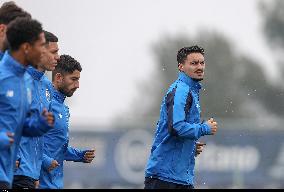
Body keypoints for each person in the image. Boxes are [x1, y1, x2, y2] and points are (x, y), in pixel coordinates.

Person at [144, 45, 218, 189]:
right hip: (164, 177)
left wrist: (190, 147)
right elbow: (176, 128)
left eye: (202, 63)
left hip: (180, 178)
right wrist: (204, 128)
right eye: (194, 63)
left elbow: (175, 131)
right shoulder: (181, 91)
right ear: (181, 67)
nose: (200, 67)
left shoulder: (191, 90)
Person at [0, 18, 53, 189]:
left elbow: (21, 125)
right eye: (42, 45)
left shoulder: (27, 81)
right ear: (26, 47)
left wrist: (41, 124)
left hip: (6, 176)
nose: (44, 51)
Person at [39, 55, 95, 189]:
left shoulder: (64, 109)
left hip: (55, 183)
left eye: (78, 79)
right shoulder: (45, 101)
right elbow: (28, 140)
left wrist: (79, 156)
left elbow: (56, 147)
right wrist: (45, 161)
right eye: (74, 79)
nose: (78, 85)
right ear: (59, 78)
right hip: (39, 182)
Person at [13, 31, 60, 189]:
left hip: (32, 174)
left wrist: (41, 166)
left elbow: (40, 133)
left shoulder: (47, 85)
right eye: (54, 52)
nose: (58, 57)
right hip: (15, 171)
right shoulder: (18, 79)